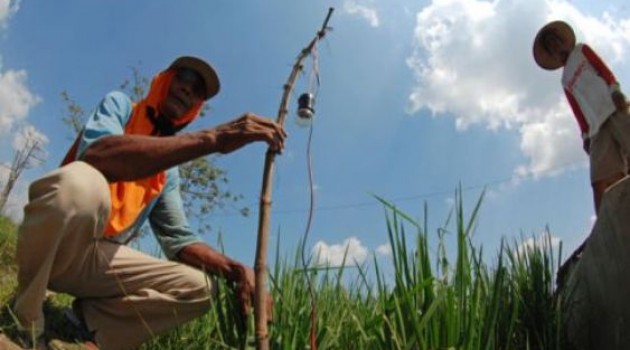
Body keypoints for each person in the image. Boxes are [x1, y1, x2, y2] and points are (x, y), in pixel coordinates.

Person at [12, 56, 284, 350]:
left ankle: (90, 327)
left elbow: (179, 240)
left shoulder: (168, 172)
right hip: (55, 242)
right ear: (163, 80)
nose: (188, 90)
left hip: (92, 261)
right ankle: (26, 316)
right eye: (184, 79)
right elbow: (97, 155)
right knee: (80, 182)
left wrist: (239, 270)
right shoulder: (121, 107)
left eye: (198, 91)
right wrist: (214, 138)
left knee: (201, 288)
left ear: (197, 107)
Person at [533, 20, 630, 214]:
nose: (555, 45)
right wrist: (585, 135)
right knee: (600, 178)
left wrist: (615, 90)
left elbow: (604, 70)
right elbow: (577, 109)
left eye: (555, 40)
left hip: (612, 107)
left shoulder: (581, 51)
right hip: (596, 126)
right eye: (550, 45)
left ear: (562, 41)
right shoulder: (565, 80)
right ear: (551, 52)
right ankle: (606, 221)